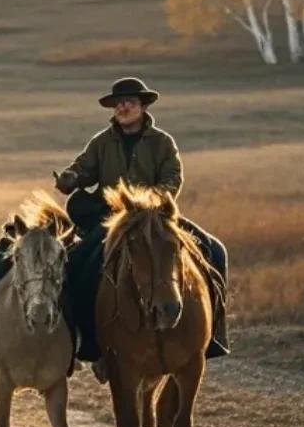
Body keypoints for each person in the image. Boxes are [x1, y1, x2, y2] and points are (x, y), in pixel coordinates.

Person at [54, 76, 230, 365]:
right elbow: (83, 168)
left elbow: (173, 177)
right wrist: (70, 178)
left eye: (130, 102)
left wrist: (153, 202)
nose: (123, 107)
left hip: (157, 218)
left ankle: (213, 335)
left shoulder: (162, 142)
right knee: (77, 264)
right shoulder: (101, 142)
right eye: (119, 103)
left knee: (214, 250)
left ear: (142, 106)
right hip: (114, 221)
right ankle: (85, 338)